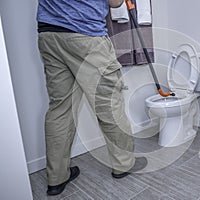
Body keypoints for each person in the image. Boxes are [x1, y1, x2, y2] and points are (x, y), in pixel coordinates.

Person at [37, 0, 147, 196]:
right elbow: (115, 2)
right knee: (109, 104)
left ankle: (57, 177)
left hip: (49, 35)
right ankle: (123, 164)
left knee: (60, 108)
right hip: (85, 33)